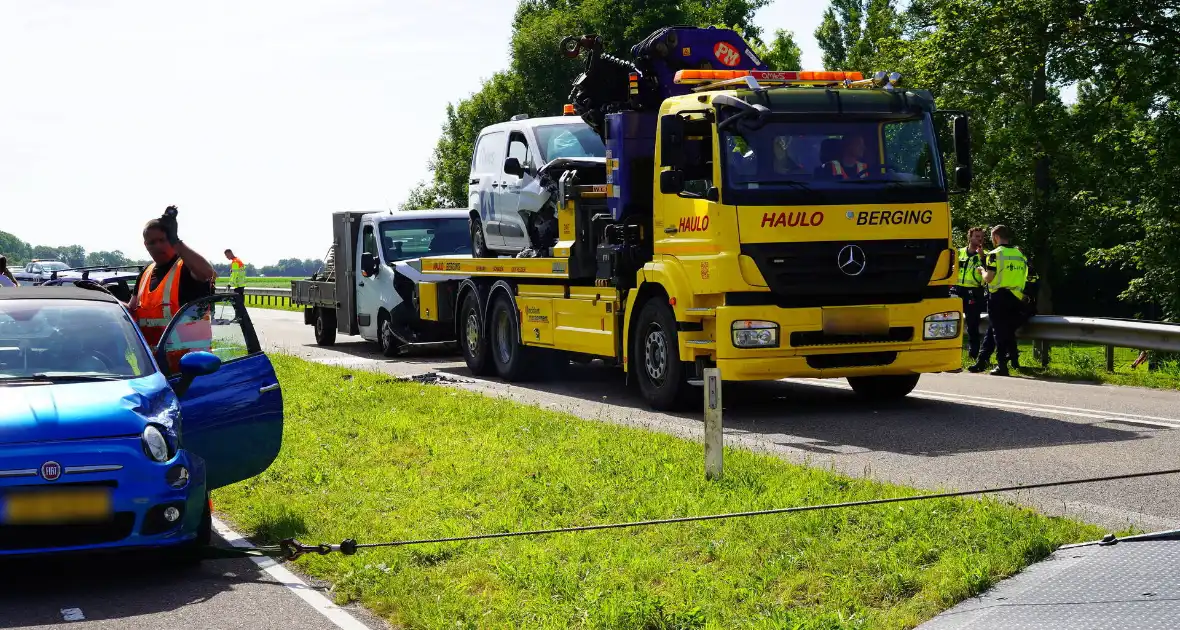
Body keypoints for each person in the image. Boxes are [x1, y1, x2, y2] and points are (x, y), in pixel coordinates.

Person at [127, 206, 217, 373]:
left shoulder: (185, 268)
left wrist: (177, 241)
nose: (158, 246)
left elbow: (207, 273)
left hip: (192, 372)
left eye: (163, 240)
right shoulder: (145, 274)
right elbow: (130, 310)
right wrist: (102, 296)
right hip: (155, 372)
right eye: (152, 242)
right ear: (145, 245)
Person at [968, 225, 1028, 376]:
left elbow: (989, 278)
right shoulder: (1020, 255)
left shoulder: (995, 254)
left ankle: (1002, 365)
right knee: (999, 329)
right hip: (1016, 297)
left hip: (998, 297)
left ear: (995, 237)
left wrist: (981, 270)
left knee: (999, 332)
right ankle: (986, 361)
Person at [954, 227, 987, 359]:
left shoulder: (986, 254)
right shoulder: (959, 252)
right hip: (957, 289)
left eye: (981, 237)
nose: (980, 239)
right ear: (970, 237)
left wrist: (983, 258)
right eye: (977, 236)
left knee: (973, 324)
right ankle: (953, 352)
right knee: (952, 321)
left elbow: (991, 271)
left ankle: (973, 354)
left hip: (974, 292)